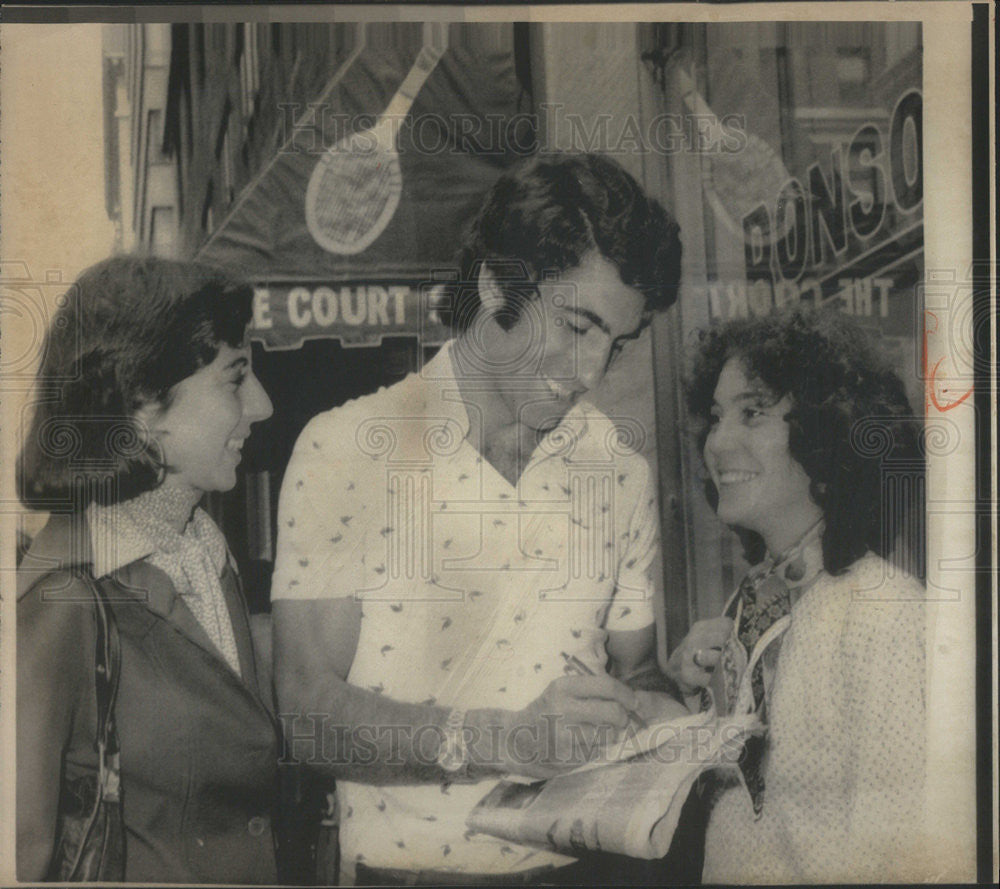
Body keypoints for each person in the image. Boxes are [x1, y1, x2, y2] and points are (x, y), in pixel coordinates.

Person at [272, 152, 687, 884]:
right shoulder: (346, 449)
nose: (591, 371)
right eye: (576, 325)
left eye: (618, 343)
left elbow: (639, 669)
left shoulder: (620, 471)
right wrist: (505, 738)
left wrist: (671, 710)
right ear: (496, 284)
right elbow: (306, 711)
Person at [17, 257, 279, 883]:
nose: (262, 406)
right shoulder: (63, 599)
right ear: (140, 404)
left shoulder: (203, 551)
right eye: (234, 379)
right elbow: (21, 856)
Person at [666, 306, 927, 883]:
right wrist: (685, 706)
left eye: (752, 413)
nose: (718, 442)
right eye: (715, 417)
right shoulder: (749, 600)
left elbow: (897, 856)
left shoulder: (887, 614)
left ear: (825, 434)